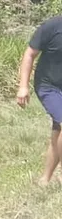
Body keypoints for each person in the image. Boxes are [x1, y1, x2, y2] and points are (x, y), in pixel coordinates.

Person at [17, 14, 62, 186]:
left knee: (58, 131)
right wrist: (23, 86)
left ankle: (45, 179)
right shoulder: (52, 26)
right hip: (48, 86)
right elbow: (29, 53)